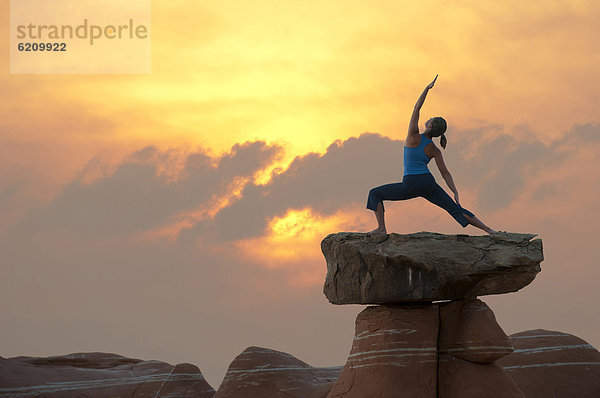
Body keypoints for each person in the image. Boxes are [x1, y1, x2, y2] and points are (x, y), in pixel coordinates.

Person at [366, 75, 497, 235]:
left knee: (375, 193)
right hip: (428, 182)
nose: (427, 119)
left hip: (411, 183)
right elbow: (445, 173)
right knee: (455, 209)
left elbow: (416, 108)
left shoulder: (413, 136)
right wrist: (454, 191)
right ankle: (489, 230)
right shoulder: (435, 149)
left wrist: (426, 89)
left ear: (429, 126)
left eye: (430, 120)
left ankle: (381, 228)